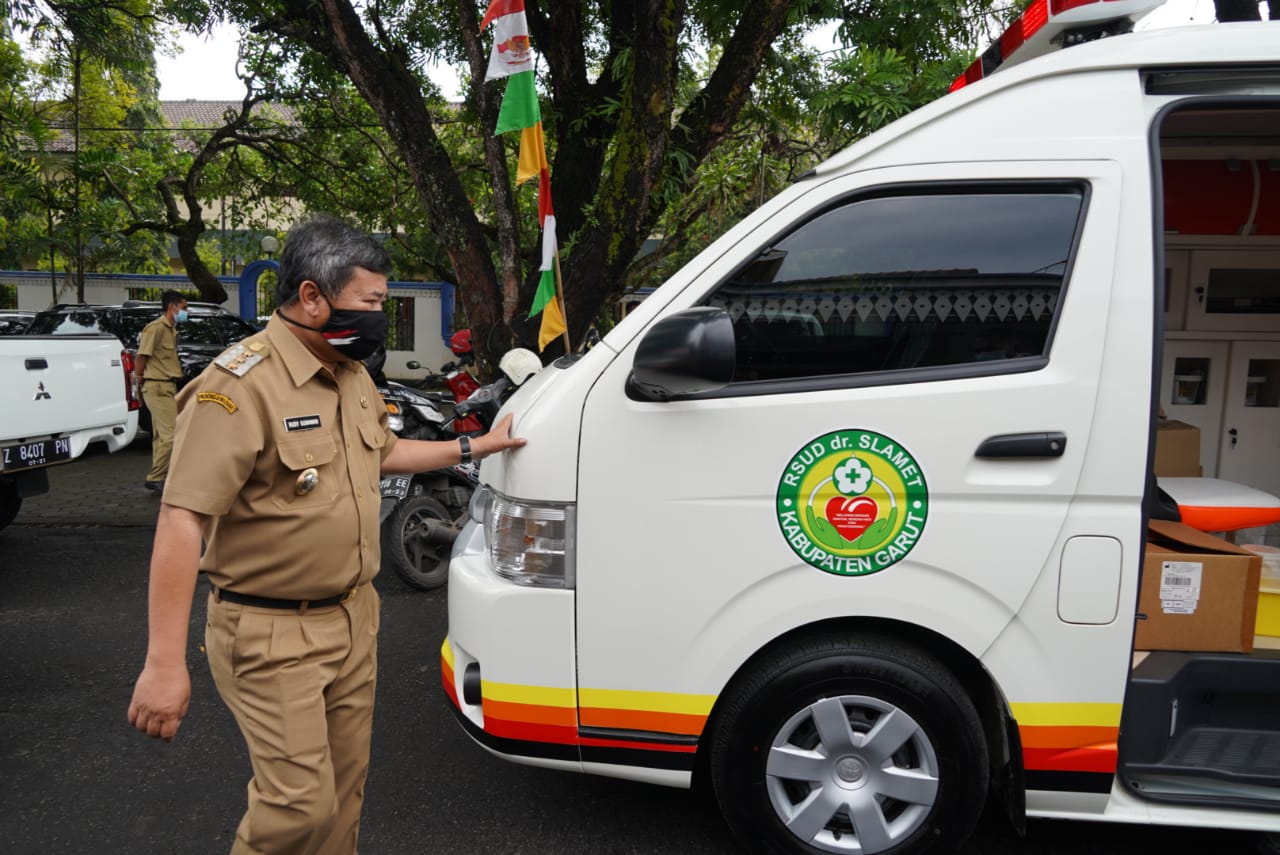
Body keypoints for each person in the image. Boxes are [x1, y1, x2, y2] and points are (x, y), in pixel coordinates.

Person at [126, 215, 526, 855]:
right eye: (370, 303)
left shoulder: (348, 372)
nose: (377, 316)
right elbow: (181, 520)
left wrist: (474, 446)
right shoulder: (237, 388)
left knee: (343, 798)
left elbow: (384, 452)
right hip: (270, 631)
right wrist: (163, 664)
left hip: (352, 619)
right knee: (297, 810)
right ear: (312, 297)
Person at [135, 289, 189, 493]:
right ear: (172, 307)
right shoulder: (156, 328)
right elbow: (141, 358)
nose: (186, 312)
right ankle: (157, 476)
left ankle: (158, 477)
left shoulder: (171, 329)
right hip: (156, 386)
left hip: (166, 385)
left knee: (161, 436)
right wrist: (137, 386)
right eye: (184, 308)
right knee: (171, 435)